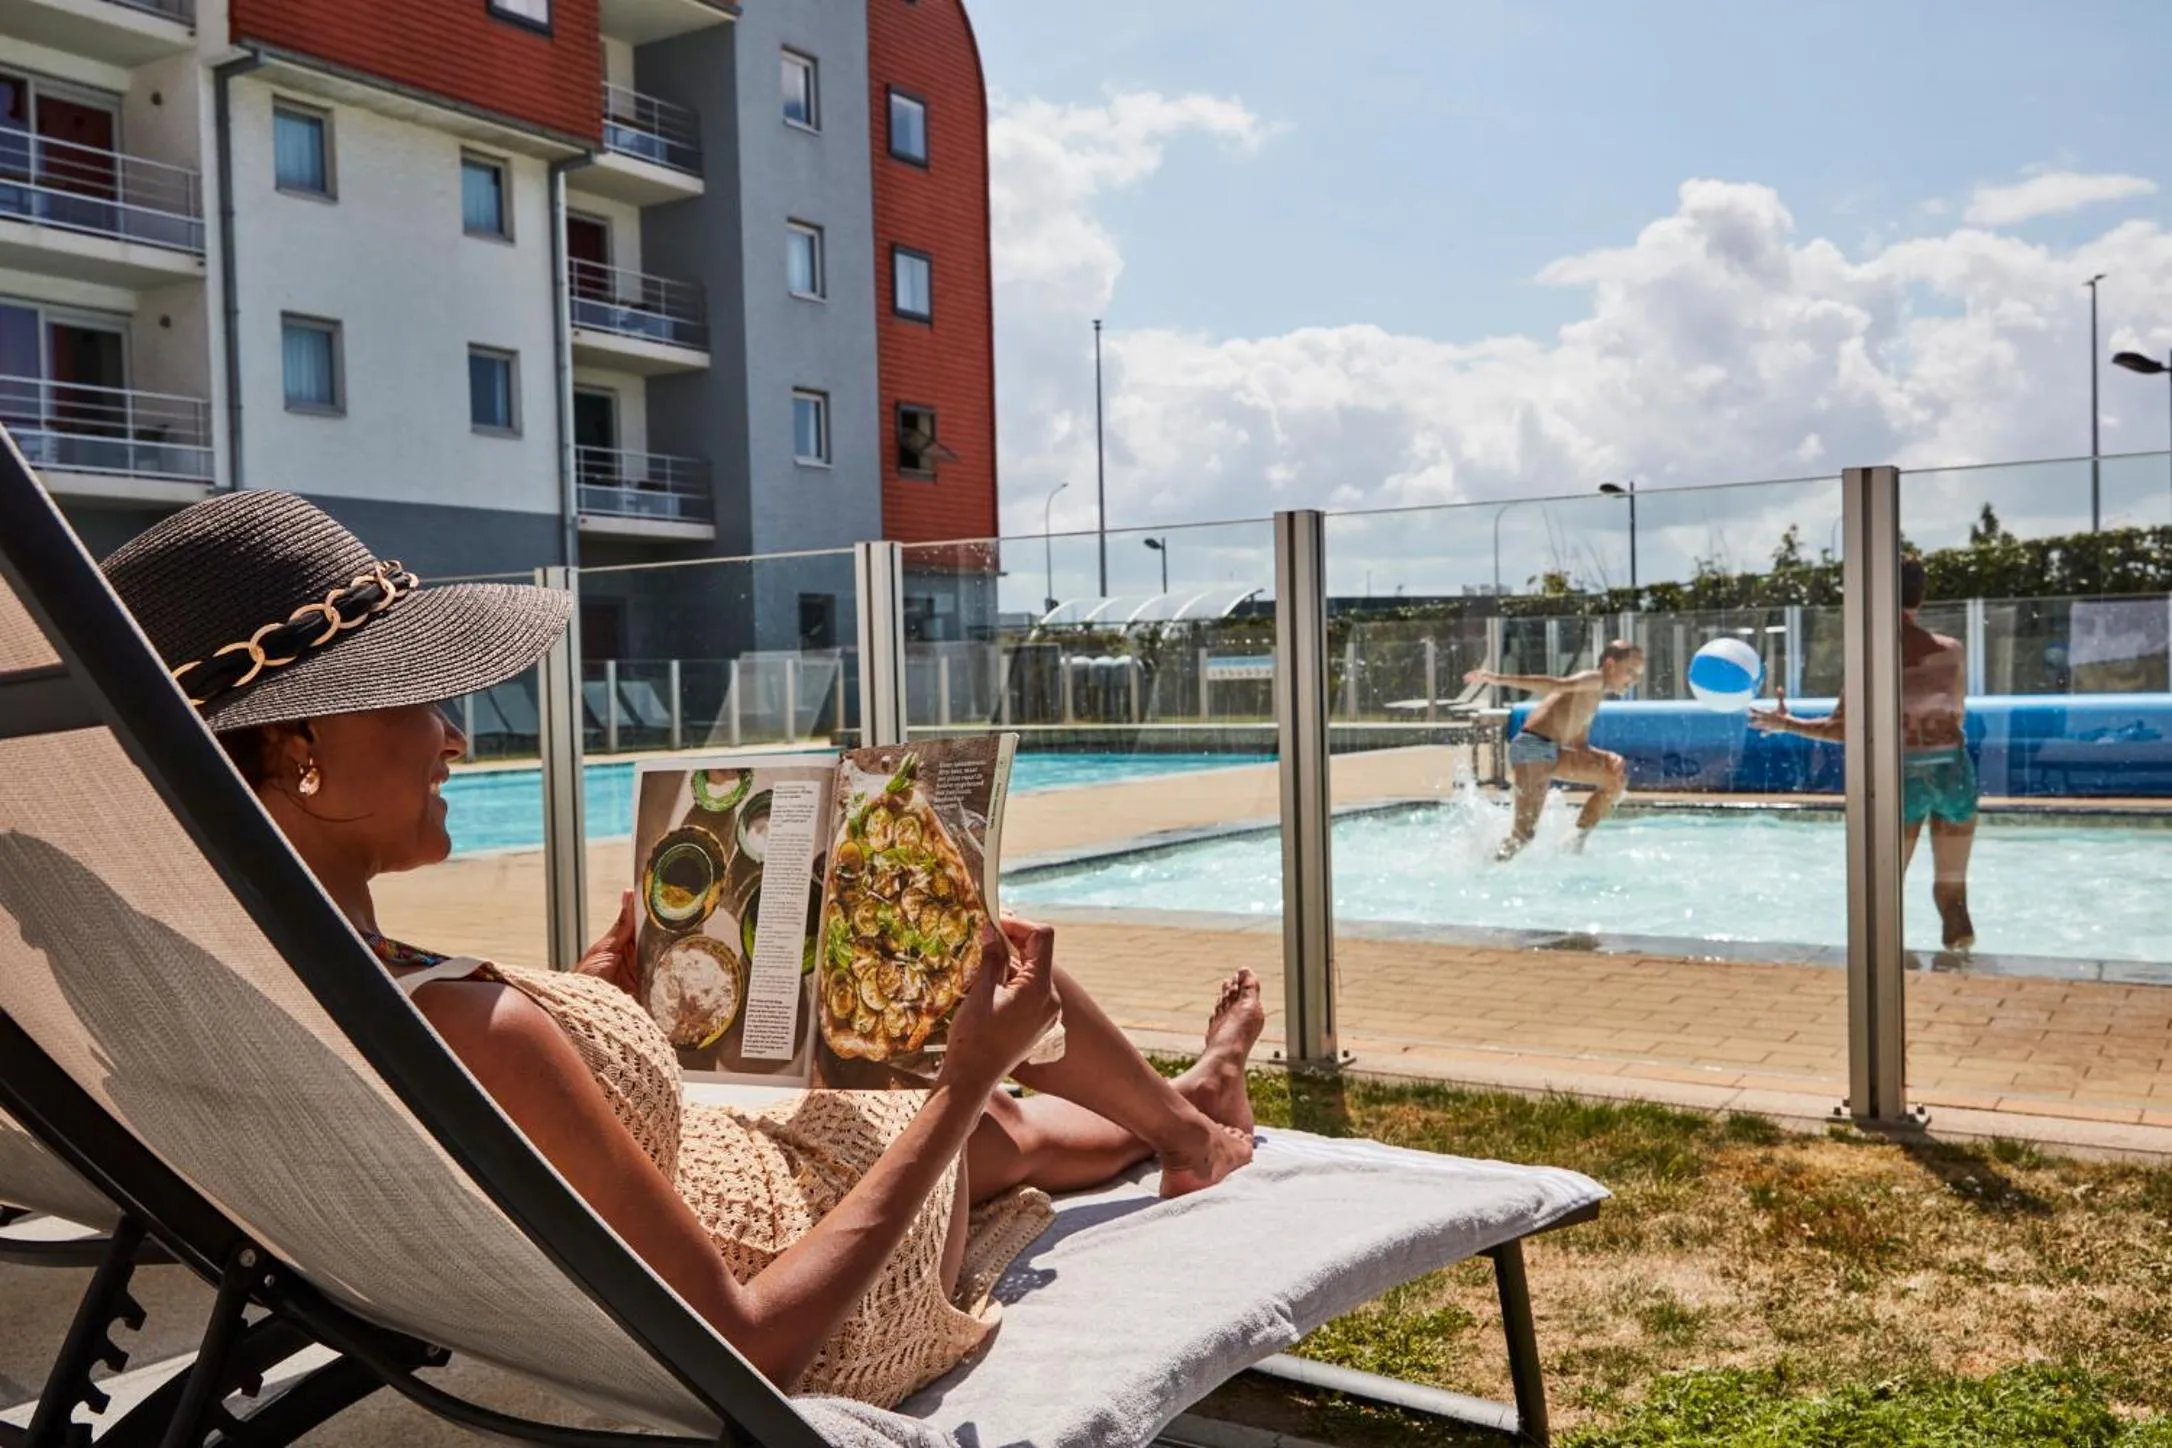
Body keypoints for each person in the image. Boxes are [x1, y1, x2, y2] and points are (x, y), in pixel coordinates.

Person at [101, 491, 1264, 1408]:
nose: (453, 736)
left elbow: (494, 1107)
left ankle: (1185, 1111)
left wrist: (589, 994)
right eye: (415, 700)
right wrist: (958, 1081)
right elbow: (752, 1343)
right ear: (300, 746)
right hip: (803, 1293)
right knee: (963, 992)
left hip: (682, 1206)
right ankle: (1187, 1121)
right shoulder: (466, 1027)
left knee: (981, 1119)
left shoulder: (260, 981)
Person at [1751, 557, 1976, 951]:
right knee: (1951, 890)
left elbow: (1843, 730)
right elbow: (1955, 714)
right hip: (1953, 773)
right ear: (1920, 597)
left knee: (1884, 895)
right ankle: (1961, 969)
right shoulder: (1952, 651)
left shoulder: (1872, 656)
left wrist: (1787, 724)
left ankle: (1894, 988)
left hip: (1900, 777)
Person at [1465, 641, 1645, 859]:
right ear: (1610, 664)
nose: (1634, 680)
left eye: (1638, 674)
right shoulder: (1593, 679)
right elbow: (1555, 684)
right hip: (1532, 747)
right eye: (1630, 671)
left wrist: (1608, 756)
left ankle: (1575, 841)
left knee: (1614, 779)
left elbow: (1580, 746)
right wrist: (1496, 678)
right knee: (1523, 834)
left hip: (1551, 751)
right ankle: (1490, 868)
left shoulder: (1593, 696)